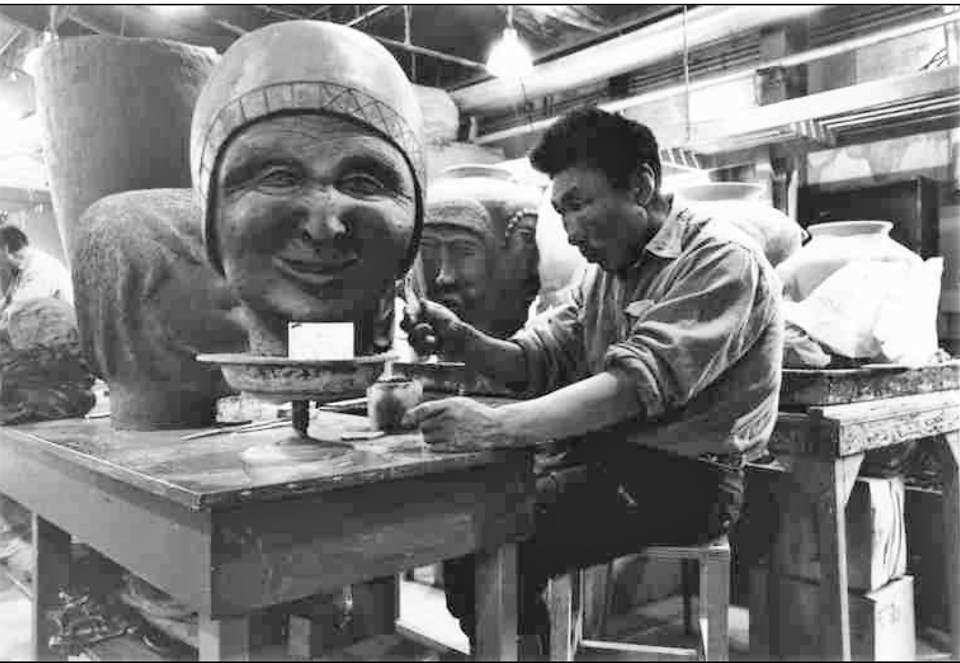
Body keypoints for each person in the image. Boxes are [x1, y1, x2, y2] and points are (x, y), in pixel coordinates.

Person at [403, 107, 784, 651]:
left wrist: (496, 426)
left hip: (691, 480)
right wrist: (464, 339)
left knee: (494, 543)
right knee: (477, 526)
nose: (571, 230)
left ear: (641, 185)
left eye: (580, 205)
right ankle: (520, 647)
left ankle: (515, 649)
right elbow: (540, 358)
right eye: (561, 212)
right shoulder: (601, 273)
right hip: (613, 462)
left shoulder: (721, 260)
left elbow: (634, 385)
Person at [0, 225, 73, 318]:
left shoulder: (39, 270)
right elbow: (9, 299)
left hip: (58, 326)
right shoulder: (23, 265)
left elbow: (13, 312)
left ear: (4, 250)